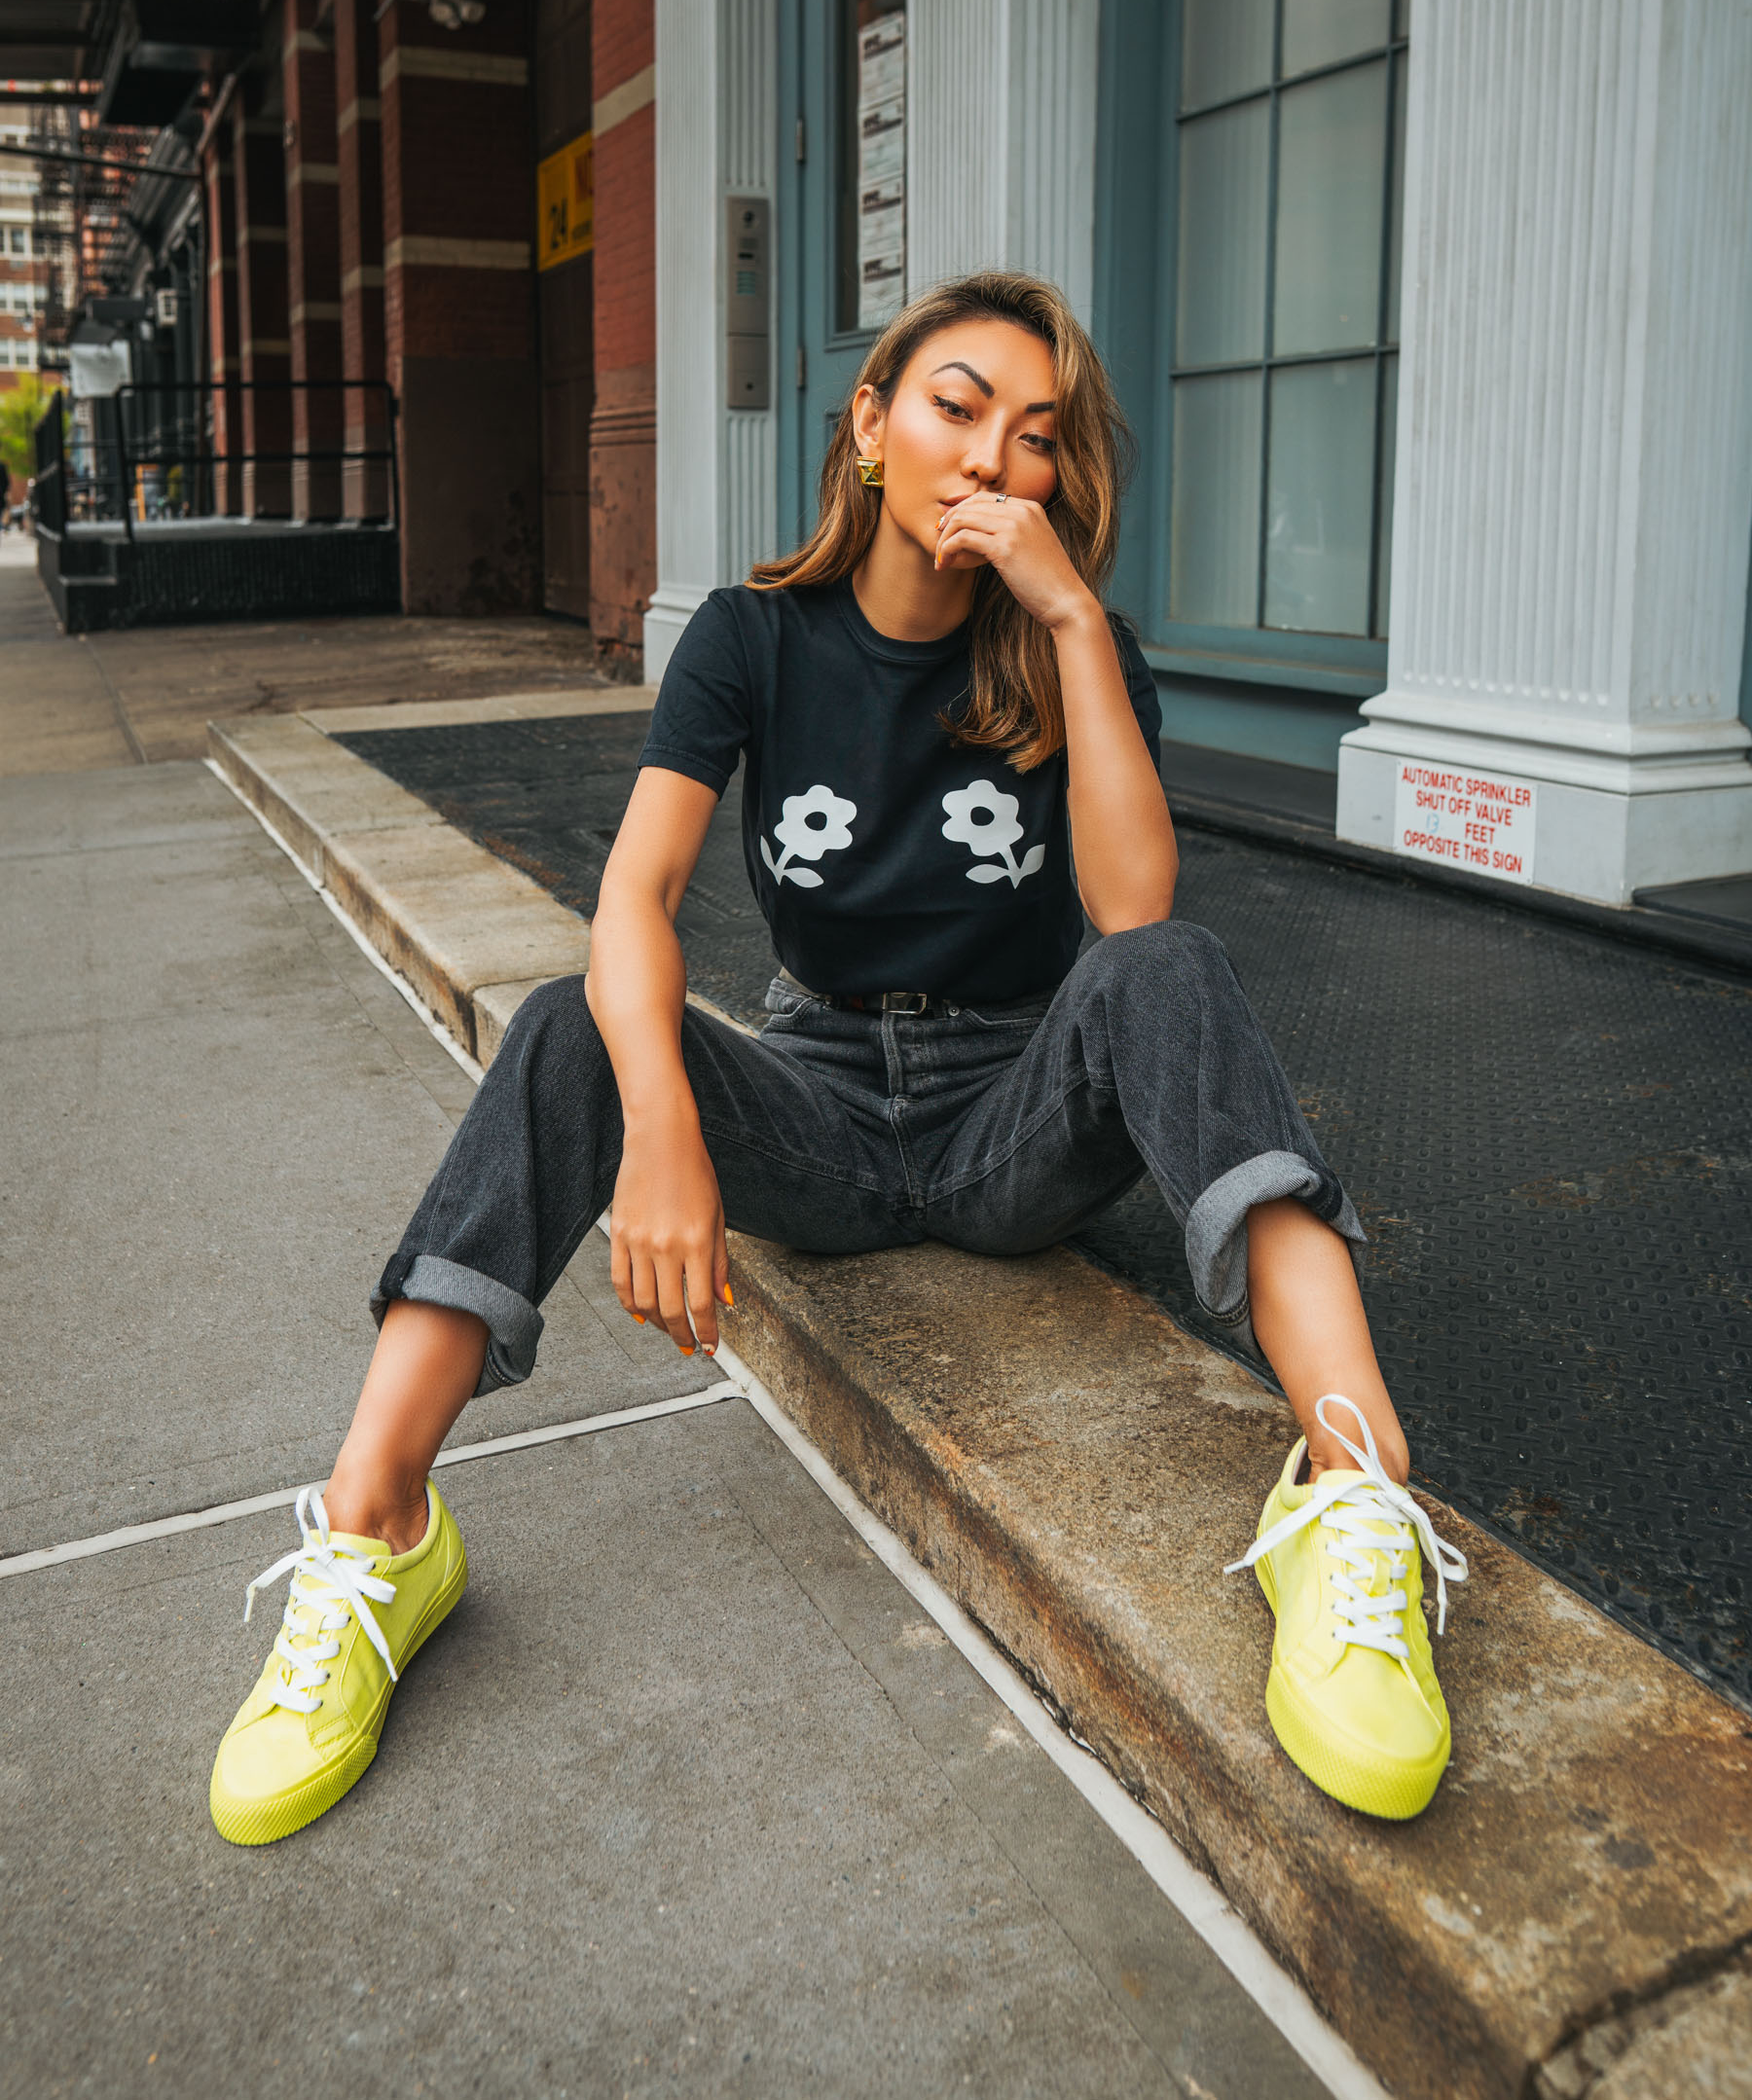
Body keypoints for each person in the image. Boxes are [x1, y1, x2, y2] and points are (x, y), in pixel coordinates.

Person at [210, 272, 1465, 1849]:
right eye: (956, 408)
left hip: (1015, 1122)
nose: (993, 460)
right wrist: (663, 1126)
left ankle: (1353, 1493)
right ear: (871, 425)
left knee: (1176, 968)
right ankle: (378, 1523)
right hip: (816, 1113)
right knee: (564, 1023)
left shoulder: (1070, 647)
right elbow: (632, 904)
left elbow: (1132, 918)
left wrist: (1072, 615)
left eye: (1036, 438)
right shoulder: (754, 638)